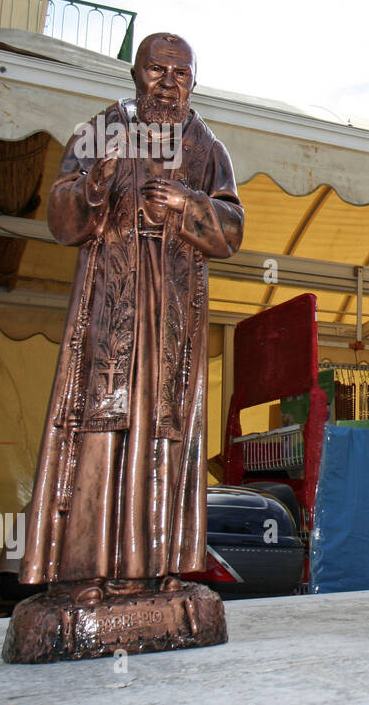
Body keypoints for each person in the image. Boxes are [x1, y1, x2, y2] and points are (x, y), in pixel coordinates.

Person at [20, 34, 244, 603]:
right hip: (111, 301)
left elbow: (233, 229)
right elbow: (62, 214)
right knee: (102, 422)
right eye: (157, 71)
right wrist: (96, 183)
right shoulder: (102, 129)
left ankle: (156, 571)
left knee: (166, 431)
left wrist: (185, 204)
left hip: (173, 310)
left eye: (181, 73)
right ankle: (85, 572)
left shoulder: (206, 145)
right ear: (135, 73)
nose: (169, 83)